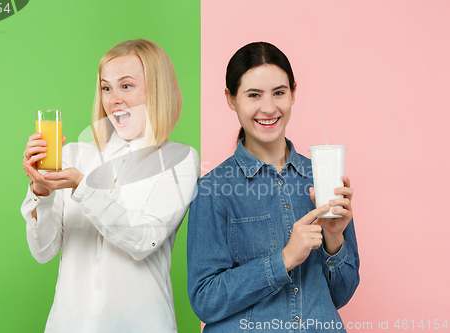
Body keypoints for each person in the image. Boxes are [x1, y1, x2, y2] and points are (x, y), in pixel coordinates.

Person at [21, 39, 199, 333]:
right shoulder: (73, 155)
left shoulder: (178, 160)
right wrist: (41, 191)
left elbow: (143, 241)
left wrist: (81, 187)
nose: (114, 99)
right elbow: (43, 251)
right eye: (106, 87)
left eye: (126, 86)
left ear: (158, 90)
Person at [187, 42, 359, 332]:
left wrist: (334, 240)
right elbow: (205, 300)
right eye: (254, 95)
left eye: (279, 92)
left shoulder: (322, 179)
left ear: (293, 92)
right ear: (231, 99)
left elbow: (341, 296)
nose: (269, 108)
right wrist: (284, 260)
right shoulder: (212, 190)